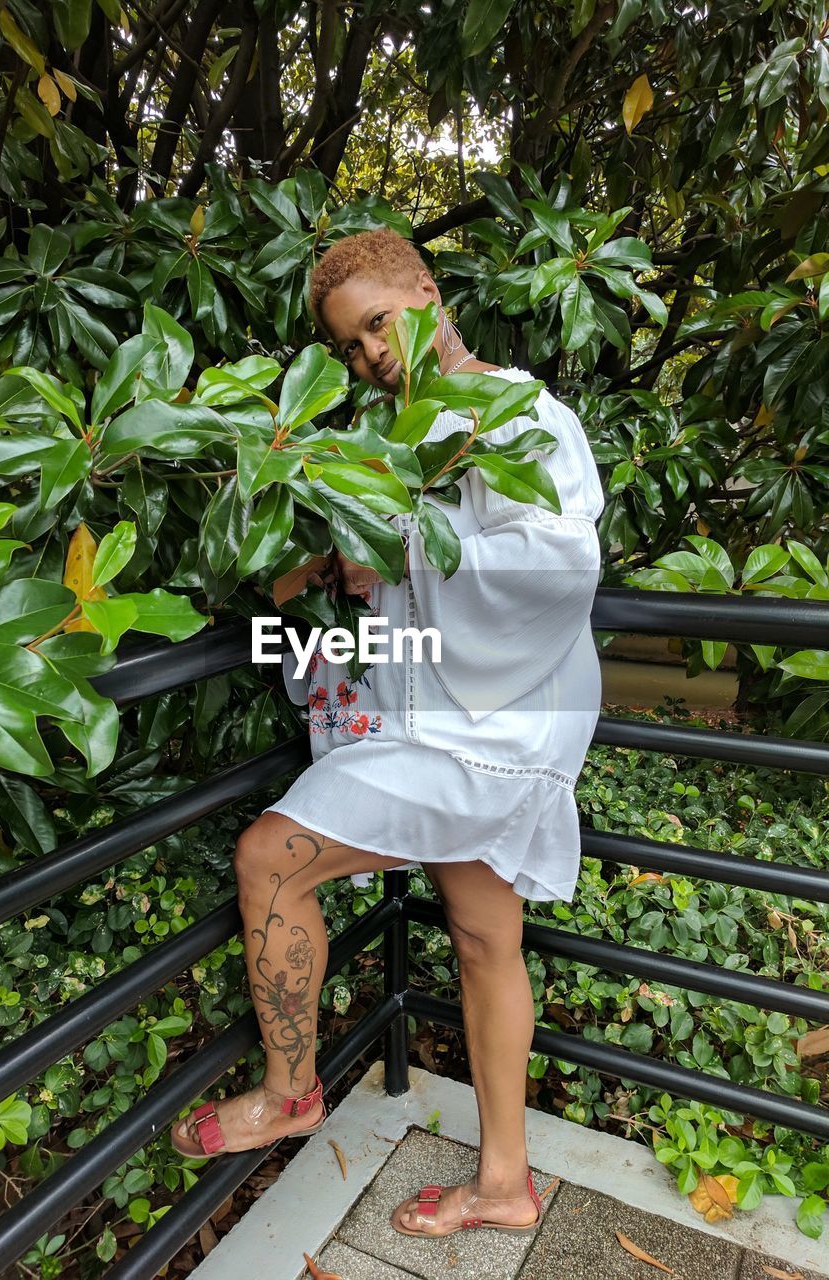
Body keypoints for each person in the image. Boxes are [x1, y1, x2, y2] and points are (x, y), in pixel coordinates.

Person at [171, 226, 605, 1239]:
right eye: (352, 345)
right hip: (452, 723)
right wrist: (356, 557)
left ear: (425, 289)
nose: (371, 354)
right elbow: (380, 568)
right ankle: (504, 1185)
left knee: (270, 860)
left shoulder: (515, 414)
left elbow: (557, 570)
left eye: (377, 322)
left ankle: (289, 1092)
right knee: (487, 938)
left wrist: (399, 543)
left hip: (489, 732)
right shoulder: (400, 432)